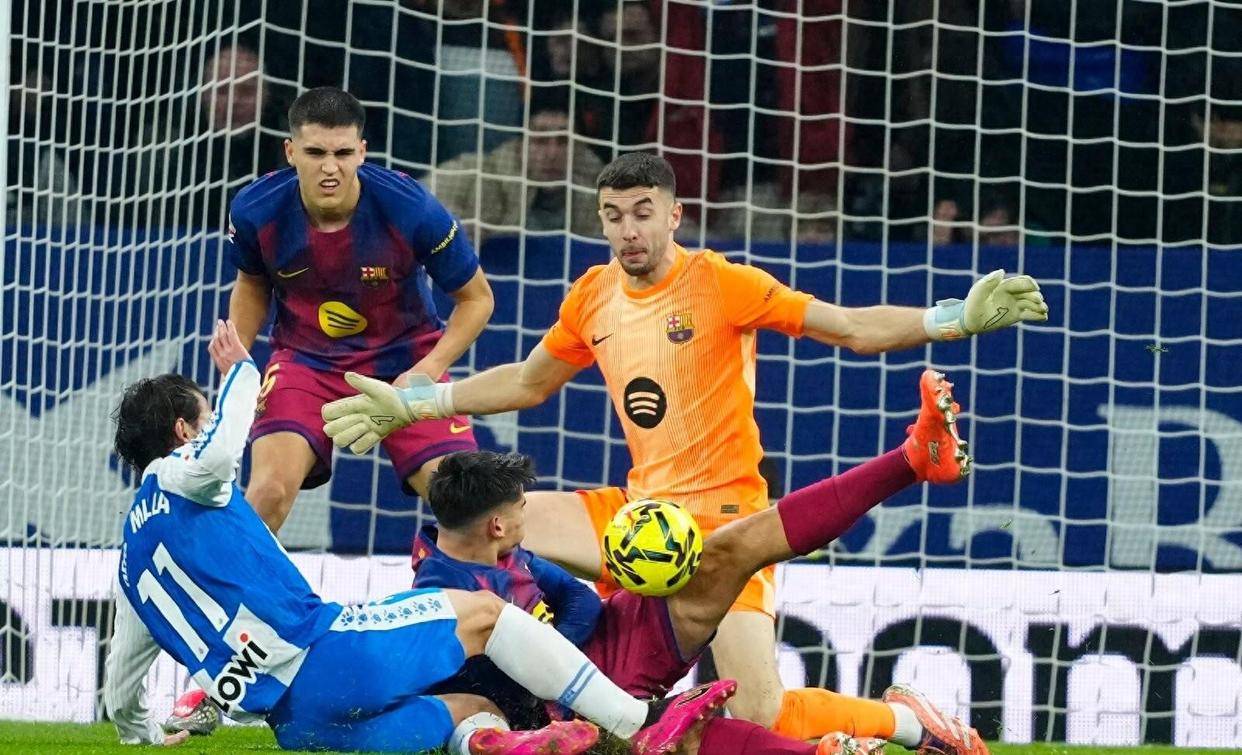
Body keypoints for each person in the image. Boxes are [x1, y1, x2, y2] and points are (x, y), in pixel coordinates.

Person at [321, 152, 1049, 740]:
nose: (628, 230)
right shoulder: (593, 294)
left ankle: (906, 721)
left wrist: (950, 319)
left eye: (643, 212)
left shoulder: (721, 283)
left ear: (674, 215)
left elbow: (850, 328)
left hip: (725, 518)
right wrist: (417, 401)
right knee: (483, 523)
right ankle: (447, 690)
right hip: (640, 514)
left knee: (760, 714)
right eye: (614, 216)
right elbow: (528, 381)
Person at [101, 319, 735, 754]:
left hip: (296, 725)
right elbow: (217, 456)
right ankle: (639, 722)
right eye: (205, 416)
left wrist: (141, 733)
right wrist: (241, 373)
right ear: (184, 432)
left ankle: (493, 745)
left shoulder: (132, 557)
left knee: (468, 713)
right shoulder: (183, 472)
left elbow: (121, 686)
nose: (215, 424)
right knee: (485, 613)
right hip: (326, 656)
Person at [410, 369, 987, 755]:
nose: (527, 514)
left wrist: (562, 650)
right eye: (519, 508)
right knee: (704, 728)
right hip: (559, 710)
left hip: (600, 650)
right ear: (496, 525)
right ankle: (869, 739)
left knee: (728, 551)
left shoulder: (508, 549)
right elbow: (469, 694)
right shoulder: (440, 602)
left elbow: (578, 597)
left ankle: (911, 459)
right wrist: (563, 679)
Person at [227, 86, 495, 533]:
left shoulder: (411, 208)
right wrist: (237, 357)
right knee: (267, 493)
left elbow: (478, 299)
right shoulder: (255, 210)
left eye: (343, 153)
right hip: (304, 363)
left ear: (362, 152)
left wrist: (427, 369)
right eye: (315, 153)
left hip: (406, 361)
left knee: (468, 509)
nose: (330, 168)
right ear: (290, 152)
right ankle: (232, 582)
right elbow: (252, 284)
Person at [430, 103, 605, 244]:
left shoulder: (600, 190)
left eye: (563, 141)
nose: (552, 154)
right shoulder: (475, 172)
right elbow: (424, 198)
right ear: (519, 144)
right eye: (540, 140)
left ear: (580, 148)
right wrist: (453, 223)